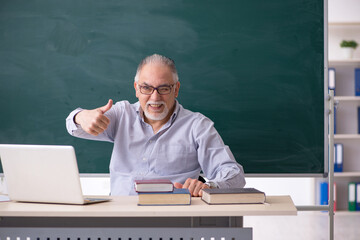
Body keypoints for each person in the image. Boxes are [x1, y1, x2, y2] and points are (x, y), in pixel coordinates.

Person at [66, 54, 245, 196]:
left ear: (176, 89)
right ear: (136, 88)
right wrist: (81, 117)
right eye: (146, 88)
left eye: (164, 88)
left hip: (174, 220)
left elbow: (234, 174)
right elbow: (73, 126)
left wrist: (210, 186)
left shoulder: (197, 126)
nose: (155, 97)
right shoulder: (122, 114)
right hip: (119, 215)